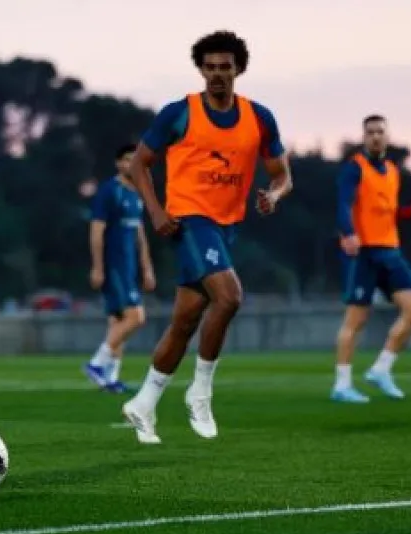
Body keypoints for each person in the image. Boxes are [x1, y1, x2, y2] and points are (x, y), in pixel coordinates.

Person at [120, 30, 293, 444]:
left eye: (225, 68)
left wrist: (274, 193)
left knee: (184, 322)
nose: (217, 75)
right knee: (230, 297)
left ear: (239, 70)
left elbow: (283, 173)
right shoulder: (179, 113)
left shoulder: (259, 118)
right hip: (188, 222)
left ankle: (143, 403)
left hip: (225, 226)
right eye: (210, 67)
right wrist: (157, 211)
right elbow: (139, 166)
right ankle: (200, 393)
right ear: (200, 69)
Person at [331, 114, 411, 403]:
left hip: (391, 251)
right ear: (364, 137)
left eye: (380, 132)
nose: (375, 137)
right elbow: (343, 204)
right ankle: (342, 384)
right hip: (364, 254)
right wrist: (348, 233)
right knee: (356, 319)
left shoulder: (392, 170)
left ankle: (381, 369)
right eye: (370, 132)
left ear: (387, 137)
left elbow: (388, 212)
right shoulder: (354, 169)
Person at [84, 144, 156, 393]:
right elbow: (96, 231)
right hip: (114, 265)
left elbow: (140, 234)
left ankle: (110, 378)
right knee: (136, 317)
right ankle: (97, 363)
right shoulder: (109, 191)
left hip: (130, 266)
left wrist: (147, 268)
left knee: (118, 321)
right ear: (118, 163)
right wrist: (98, 267)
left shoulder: (136, 193)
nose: (131, 165)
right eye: (126, 160)